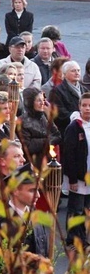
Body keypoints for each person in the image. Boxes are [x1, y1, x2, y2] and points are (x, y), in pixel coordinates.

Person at [61, 92, 90, 256]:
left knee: (86, 209)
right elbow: (69, 155)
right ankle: (72, 240)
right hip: (78, 177)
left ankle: (83, 239)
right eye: (84, 105)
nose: (87, 109)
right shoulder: (74, 127)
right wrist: (71, 178)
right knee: (76, 209)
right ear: (79, 107)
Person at [49, 60, 82, 136]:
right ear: (64, 74)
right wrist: (77, 116)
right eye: (73, 71)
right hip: (66, 132)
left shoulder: (85, 90)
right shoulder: (56, 91)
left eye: (78, 70)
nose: (77, 73)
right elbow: (58, 113)